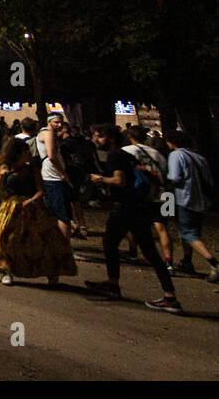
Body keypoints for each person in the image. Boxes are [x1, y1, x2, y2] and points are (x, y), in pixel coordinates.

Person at [84, 123, 181, 313]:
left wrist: (100, 179)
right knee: (151, 249)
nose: (95, 140)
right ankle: (169, 294)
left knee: (110, 242)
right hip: (150, 202)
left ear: (109, 137)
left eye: (98, 136)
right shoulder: (148, 153)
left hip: (127, 206)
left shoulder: (118, 155)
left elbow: (120, 180)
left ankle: (113, 283)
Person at [0, 136, 76, 286]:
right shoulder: (5, 167)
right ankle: (7, 271)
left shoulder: (33, 169)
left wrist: (31, 201)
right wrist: (2, 177)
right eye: (25, 151)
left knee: (43, 241)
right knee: (8, 240)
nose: (28, 153)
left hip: (33, 207)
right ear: (17, 153)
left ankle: (52, 272)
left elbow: (40, 190)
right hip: (11, 208)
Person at [164, 130, 218, 282]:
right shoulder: (199, 157)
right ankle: (187, 261)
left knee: (188, 233)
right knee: (192, 233)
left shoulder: (176, 155)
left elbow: (174, 177)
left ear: (172, 142)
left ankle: (214, 263)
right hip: (201, 200)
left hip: (184, 198)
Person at [122, 125, 173, 269]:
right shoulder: (157, 154)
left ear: (130, 137)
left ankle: (133, 253)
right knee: (162, 228)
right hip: (164, 194)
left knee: (132, 224)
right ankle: (169, 262)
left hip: (141, 194)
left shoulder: (127, 151)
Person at [34, 114, 73, 240]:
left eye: (61, 122)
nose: (59, 125)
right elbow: (51, 156)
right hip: (54, 176)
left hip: (49, 175)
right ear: (49, 121)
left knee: (52, 211)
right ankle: (64, 246)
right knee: (63, 214)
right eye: (56, 122)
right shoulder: (48, 133)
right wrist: (63, 173)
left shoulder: (45, 133)